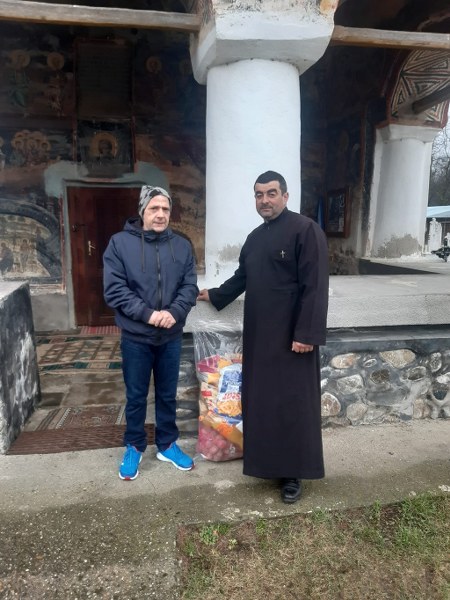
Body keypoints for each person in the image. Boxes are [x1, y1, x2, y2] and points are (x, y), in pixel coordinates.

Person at [198, 171, 329, 504]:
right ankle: (268, 465)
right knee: (264, 403)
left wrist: (306, 333)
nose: (265, 200)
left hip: (293, 339)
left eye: (271, 193)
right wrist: (214, 294)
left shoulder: (305, 230)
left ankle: (293, 473)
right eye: (259, 195)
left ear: (285, 196)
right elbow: (242, 277)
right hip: (260, 338)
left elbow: (315, 285)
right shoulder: (255, 238)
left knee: (292, 405)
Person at [103, 185, 198, 480]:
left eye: (165, 209)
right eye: (154, 208)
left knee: (168, 394)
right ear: (142, 211)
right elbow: (115, 289)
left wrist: (174, 312)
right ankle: (134, 445)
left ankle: (167, 444)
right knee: (136, 396)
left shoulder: (181, 246)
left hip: (170, 336)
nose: (160, 214)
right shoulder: (119, 244)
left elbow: (189, 286)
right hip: (136, 337)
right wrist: (149, 314)